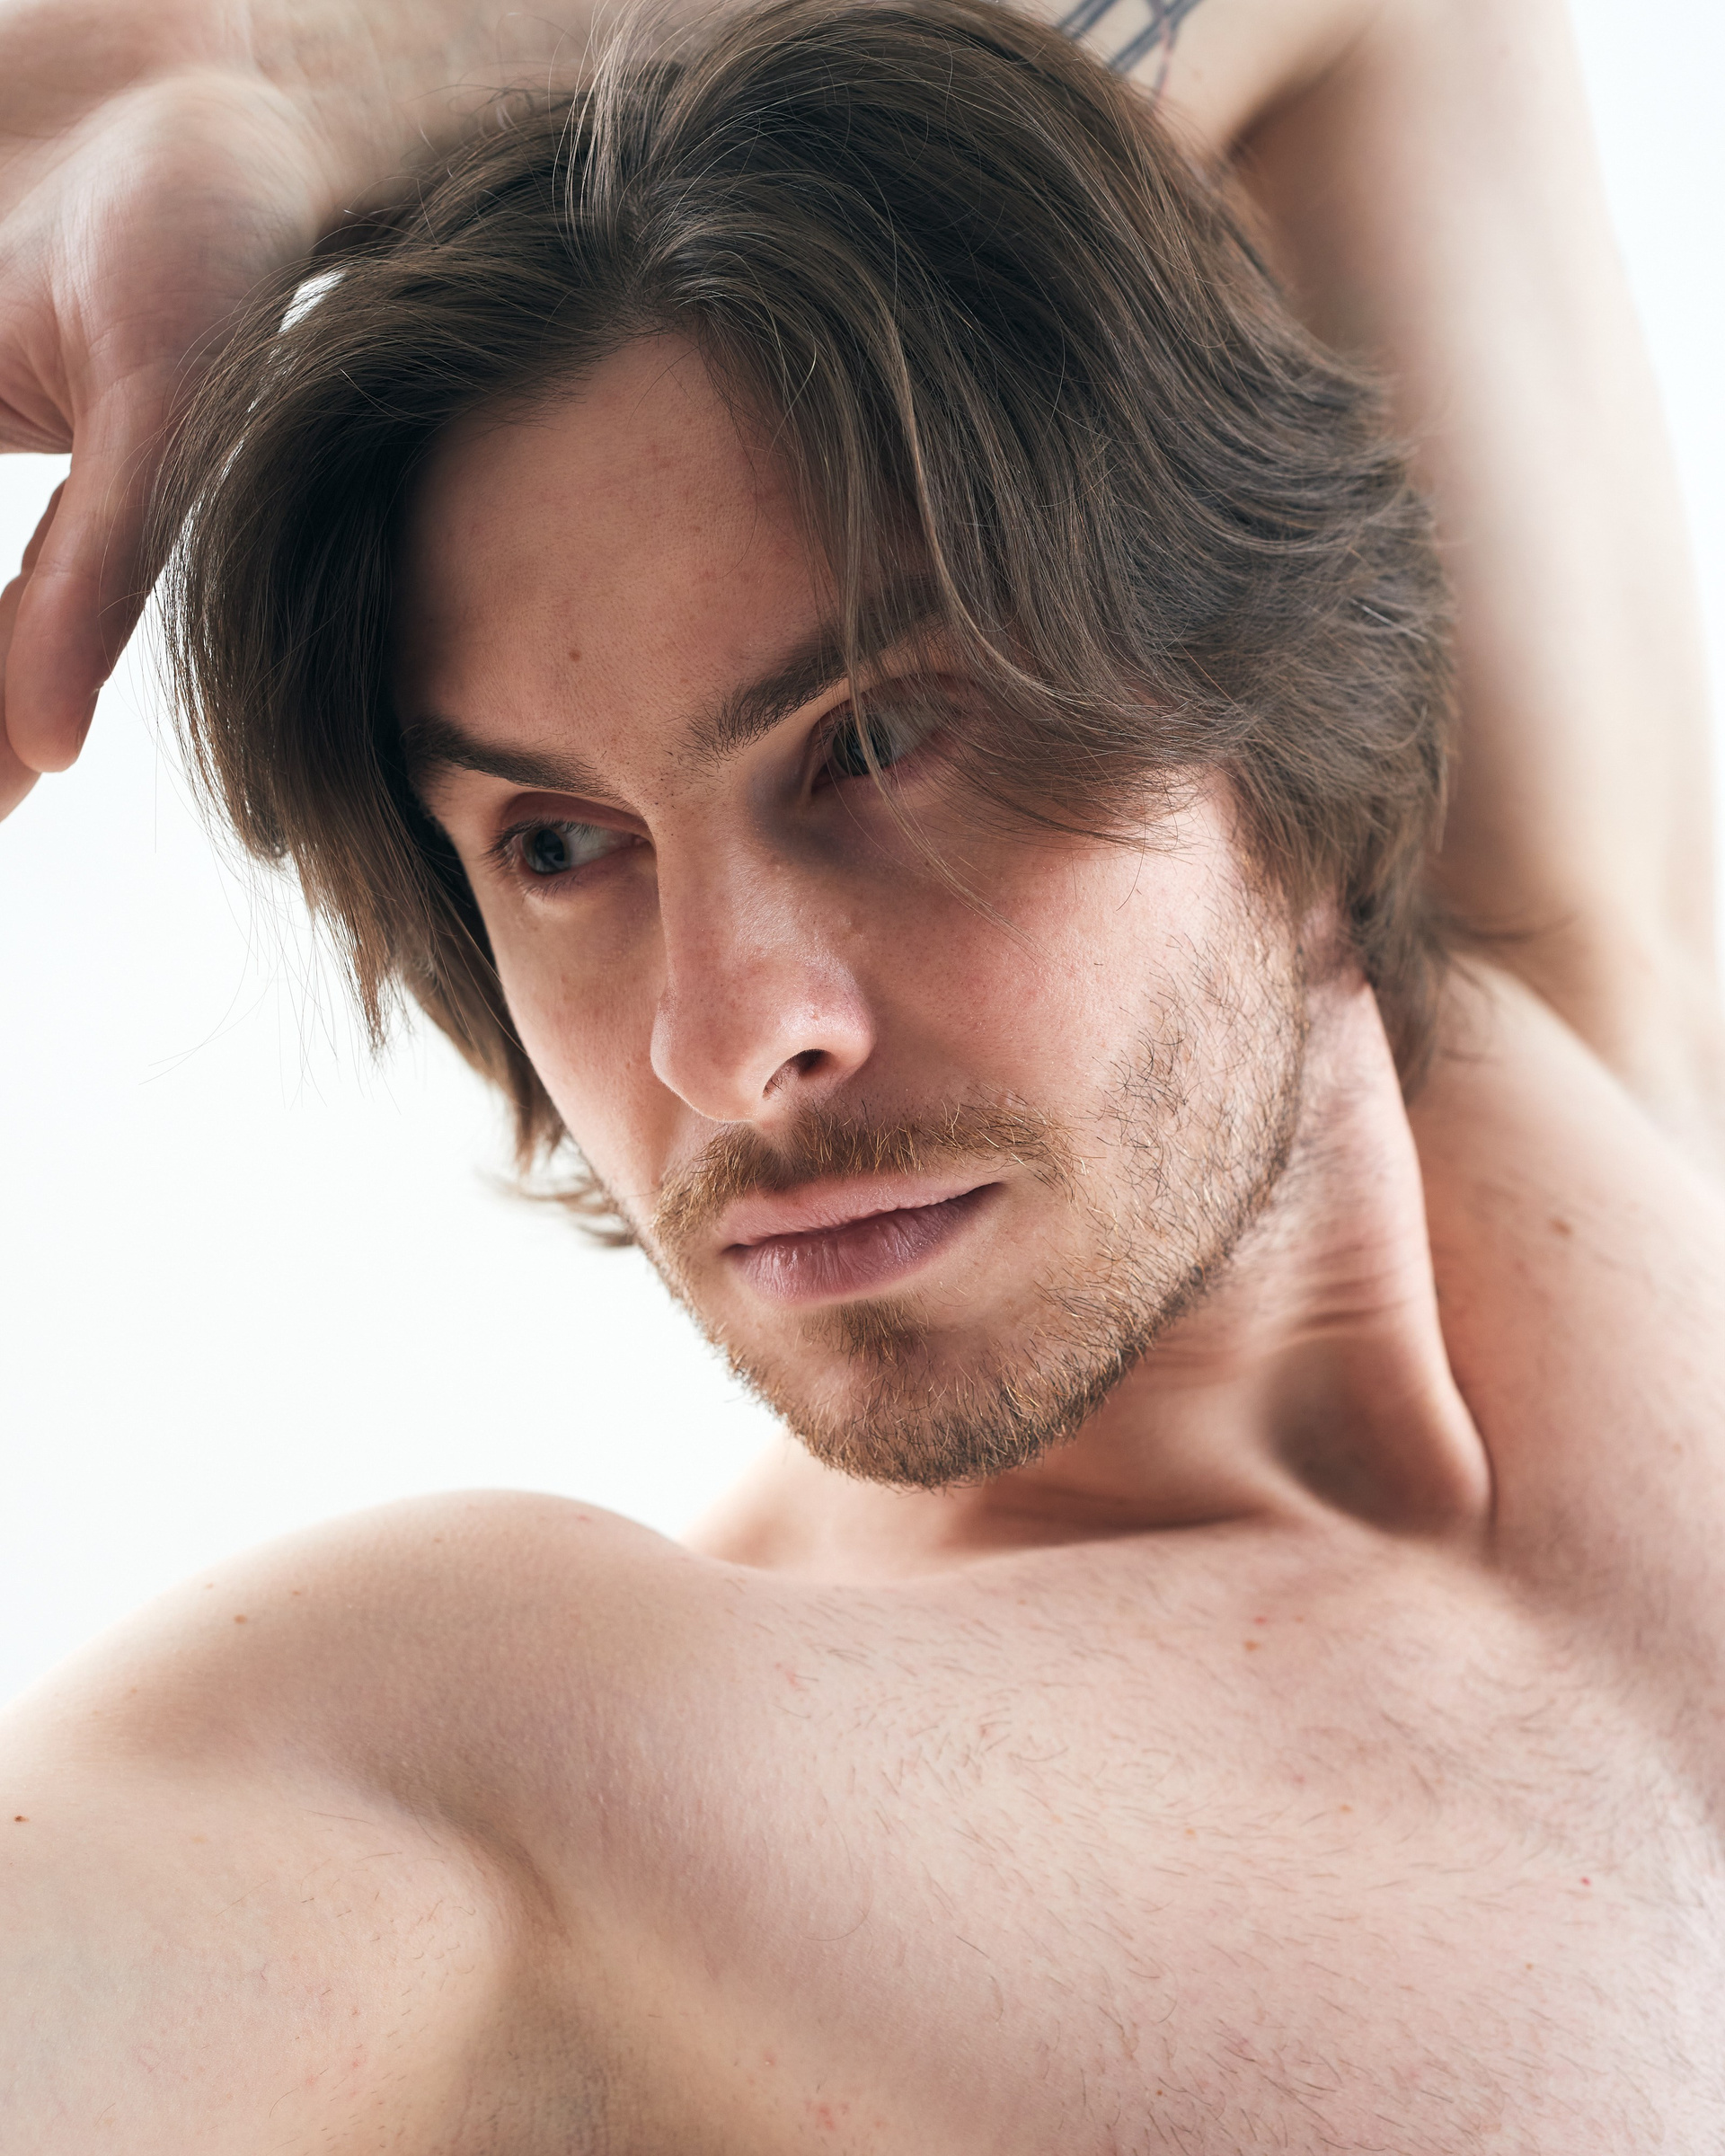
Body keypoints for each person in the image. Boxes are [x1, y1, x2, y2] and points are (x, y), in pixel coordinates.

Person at [2, 0, 1721, 2150]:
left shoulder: (1586, 1051)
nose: (727, 1042)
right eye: (559, 848)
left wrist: (303, 88)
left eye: (875, 742)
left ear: (1279, 704)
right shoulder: (551, 1796)